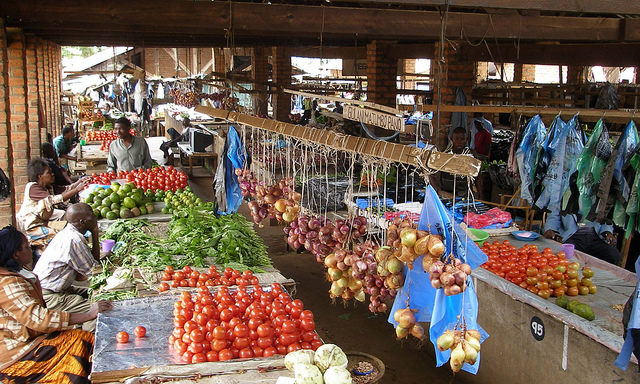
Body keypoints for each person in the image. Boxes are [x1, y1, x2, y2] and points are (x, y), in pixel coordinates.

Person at [0, 226, 112, 383]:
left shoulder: (15, 273)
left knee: (79, 335)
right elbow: (38, 319)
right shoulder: (8, 283)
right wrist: (88, 315)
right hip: (17, 353)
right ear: (16, 254)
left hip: (31, 338)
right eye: (26, 246)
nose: (30, 249)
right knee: (81, 341)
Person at [33, 203, 101, 331]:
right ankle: (87, 334)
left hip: (53, 289)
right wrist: (95, 232)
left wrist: (94, 232)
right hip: (51, 296)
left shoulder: (68, 232)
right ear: (82, 222)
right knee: (100, 309)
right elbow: (94, 271)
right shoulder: (74, 239)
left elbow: (87, 270)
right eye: (91, 214)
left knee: (94, 293)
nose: (95, 216)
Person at [16, 159, 90, 251]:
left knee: (66, 229)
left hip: (41, 222)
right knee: (60, 236)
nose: (52, 174)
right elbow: (54, 199)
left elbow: (65, 189)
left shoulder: (48, 186)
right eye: (49, 173)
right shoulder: (33, 188)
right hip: (29, 226)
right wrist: (77, 189)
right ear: (40, 176)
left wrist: (79, 182)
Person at [543, 212, 621, 265]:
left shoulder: (600, 193)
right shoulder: (566, 190)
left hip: (595, 236)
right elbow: (553, 215)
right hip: (573, 236)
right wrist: (550, 229)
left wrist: (607, 231)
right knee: (567, 256)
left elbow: (605, 219)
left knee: (614, 255)